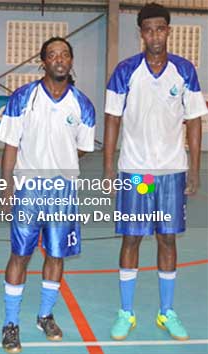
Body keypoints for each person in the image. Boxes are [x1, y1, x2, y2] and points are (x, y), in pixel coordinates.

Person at [104, 2, 206, 342]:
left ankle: (166, 312)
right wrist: (107, 169)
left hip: (171, 172)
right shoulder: (125, 71)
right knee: (131, 238)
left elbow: (194, 120)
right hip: (135, 172)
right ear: (141, 34)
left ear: (168, 31)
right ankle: (126, 312)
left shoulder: (185, 70)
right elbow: (112, 120)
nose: (155, 35)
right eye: (148, 30)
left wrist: (194, 167)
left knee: (167, 238)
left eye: (160, 28)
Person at [0, 37, 95, 353]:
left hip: (63, 190)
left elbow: (81, 147)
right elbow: (11, 145)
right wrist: (7, 188)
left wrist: (58, 163)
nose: (59, 59)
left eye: (65, 54)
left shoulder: (83, 104)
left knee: (56, 255)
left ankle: (44, 315)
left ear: (71, 61)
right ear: (43, 61)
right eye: (53, 54)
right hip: (28, 189)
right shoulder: (23, 97)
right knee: (20, 255)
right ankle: (11, 324)